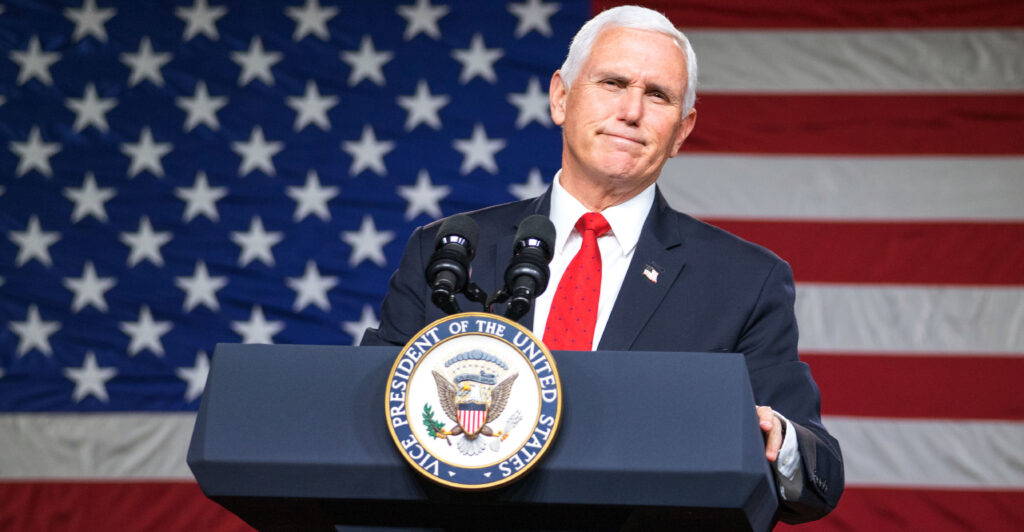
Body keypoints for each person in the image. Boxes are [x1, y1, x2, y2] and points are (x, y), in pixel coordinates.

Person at [362, 5, 843, 524]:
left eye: (657, 95)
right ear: (561, 98)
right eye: (613, 83)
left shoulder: (745, 281)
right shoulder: (449, 252)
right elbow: (364, 409)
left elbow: (818, 474)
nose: (632, 111)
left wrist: (777, 438)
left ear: (681, 132)